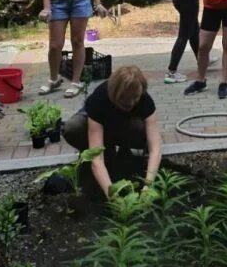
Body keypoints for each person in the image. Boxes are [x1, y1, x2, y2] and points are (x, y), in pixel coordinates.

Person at [63, 65, 162, 199]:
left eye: (135, 98)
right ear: (115, 94)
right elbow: (97, 158)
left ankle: (126, 155)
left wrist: (148, 186)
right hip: (99, 124)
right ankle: (93, 156)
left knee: (139, 128)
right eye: (126, 99)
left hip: (124, 125)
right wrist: (112, 195)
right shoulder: (99, 100)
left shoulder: (144, 100)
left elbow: (155, 148)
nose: (131, 103)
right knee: (73, 127)